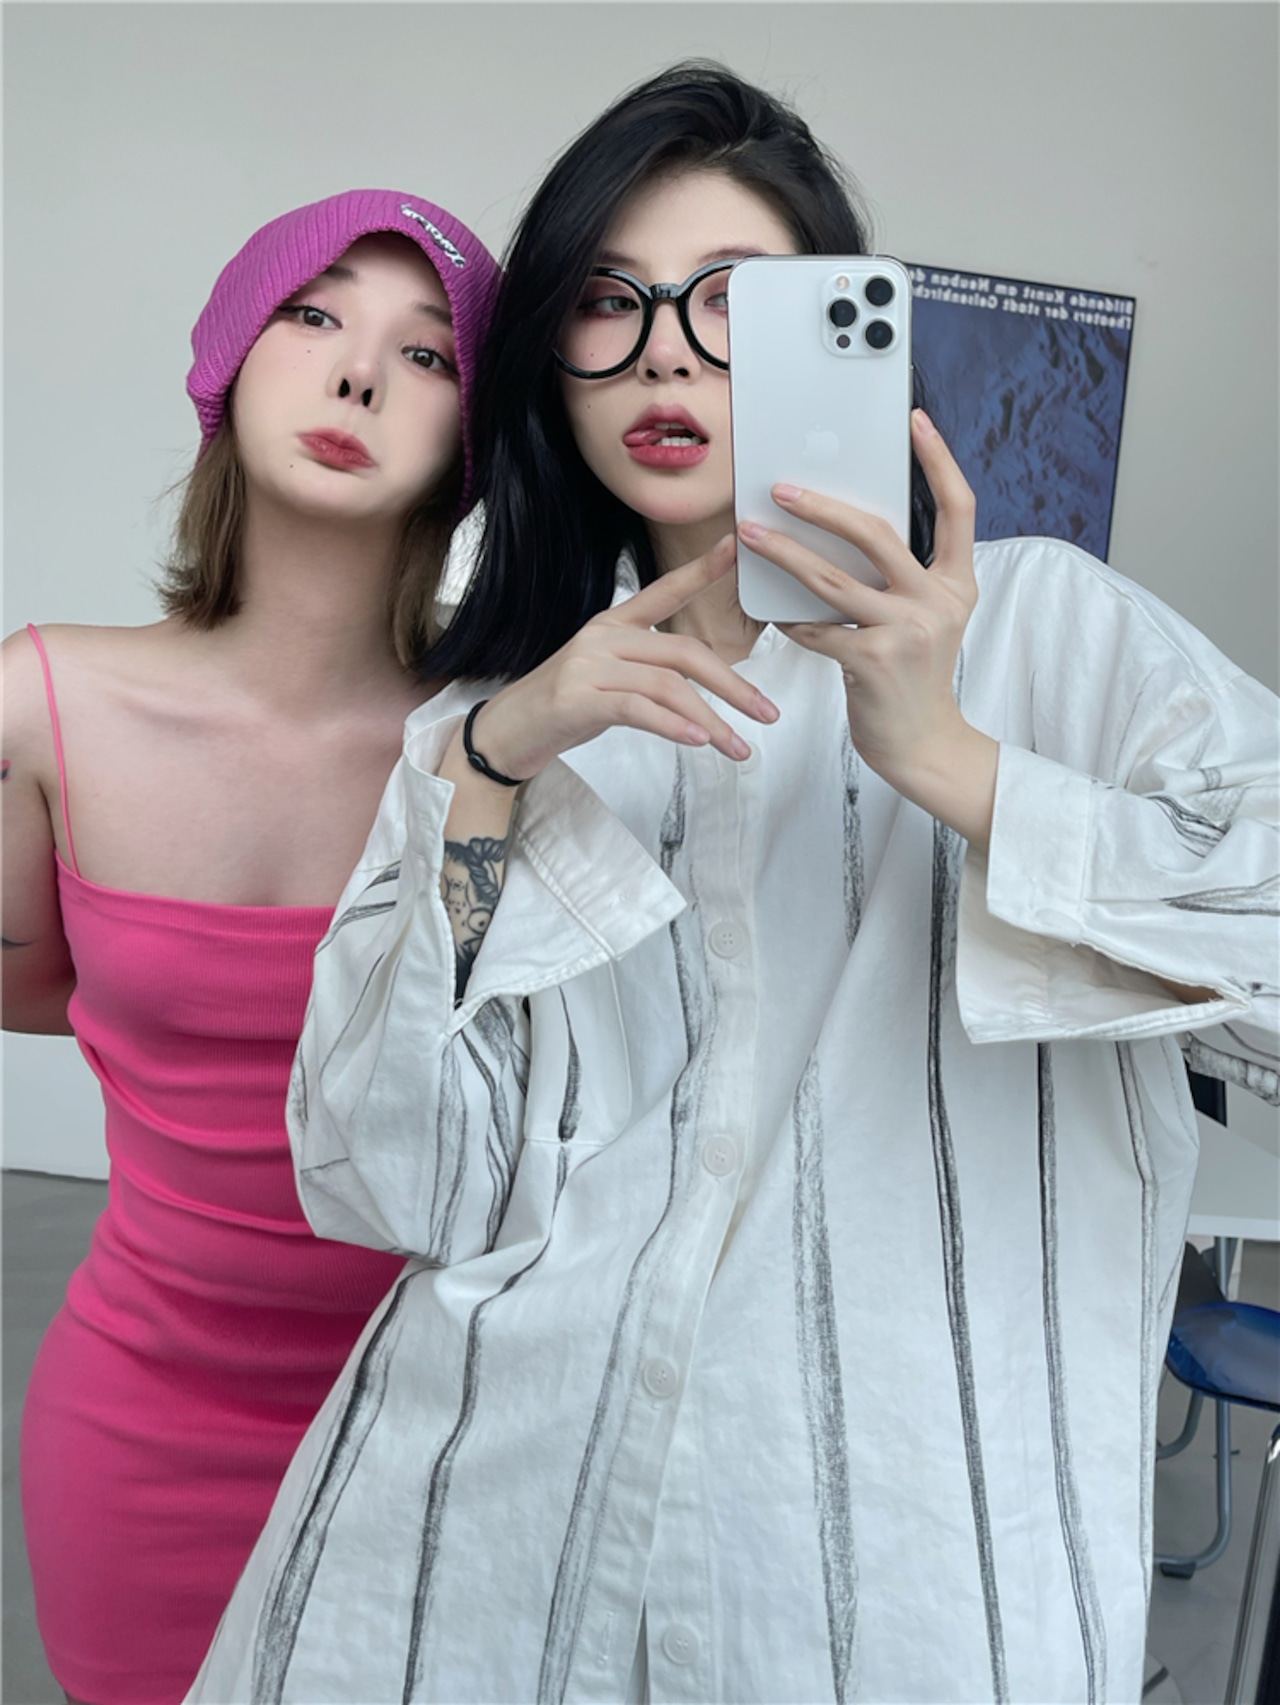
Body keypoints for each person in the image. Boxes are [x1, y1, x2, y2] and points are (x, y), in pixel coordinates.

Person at [186, 68, 1279, 1705]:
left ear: (842, 334)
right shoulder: (495, 726)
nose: (666, 356)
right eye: (608, 301)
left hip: (902, 1589)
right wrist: (491, 768)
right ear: (548, 360)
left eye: (733, 303)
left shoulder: (1051, 634)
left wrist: (958, 765)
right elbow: (395, 1181)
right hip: (484, 1554)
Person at [1, 188, 500, 1705]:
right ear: (230, 361)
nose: (358, 372)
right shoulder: (41, 703)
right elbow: (28, 989)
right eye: (315, 314)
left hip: (447, 1439)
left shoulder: (503, 742)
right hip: (142, 1428)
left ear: (474, 439)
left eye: (428, 353)